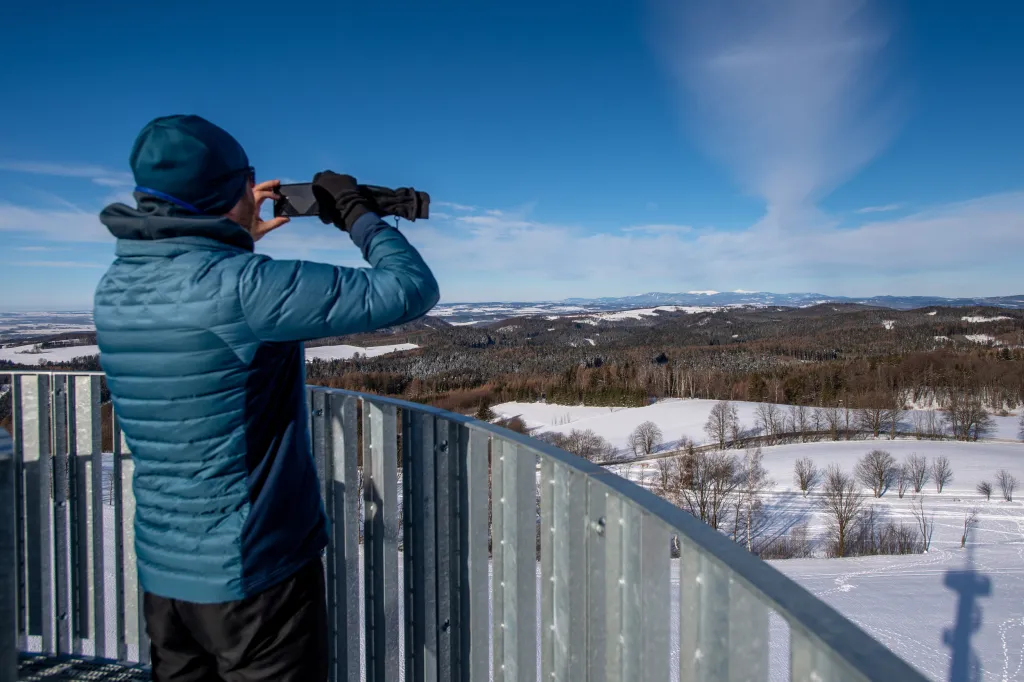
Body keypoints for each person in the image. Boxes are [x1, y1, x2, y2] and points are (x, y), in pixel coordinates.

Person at [93, 114, 440, 681]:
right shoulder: (244, 287)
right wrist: (356, 213)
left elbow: (199, 303)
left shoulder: (116, 287)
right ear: (235, 187)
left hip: (166, 575)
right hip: (254, 576)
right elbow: (408, 289)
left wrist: (229, 231)